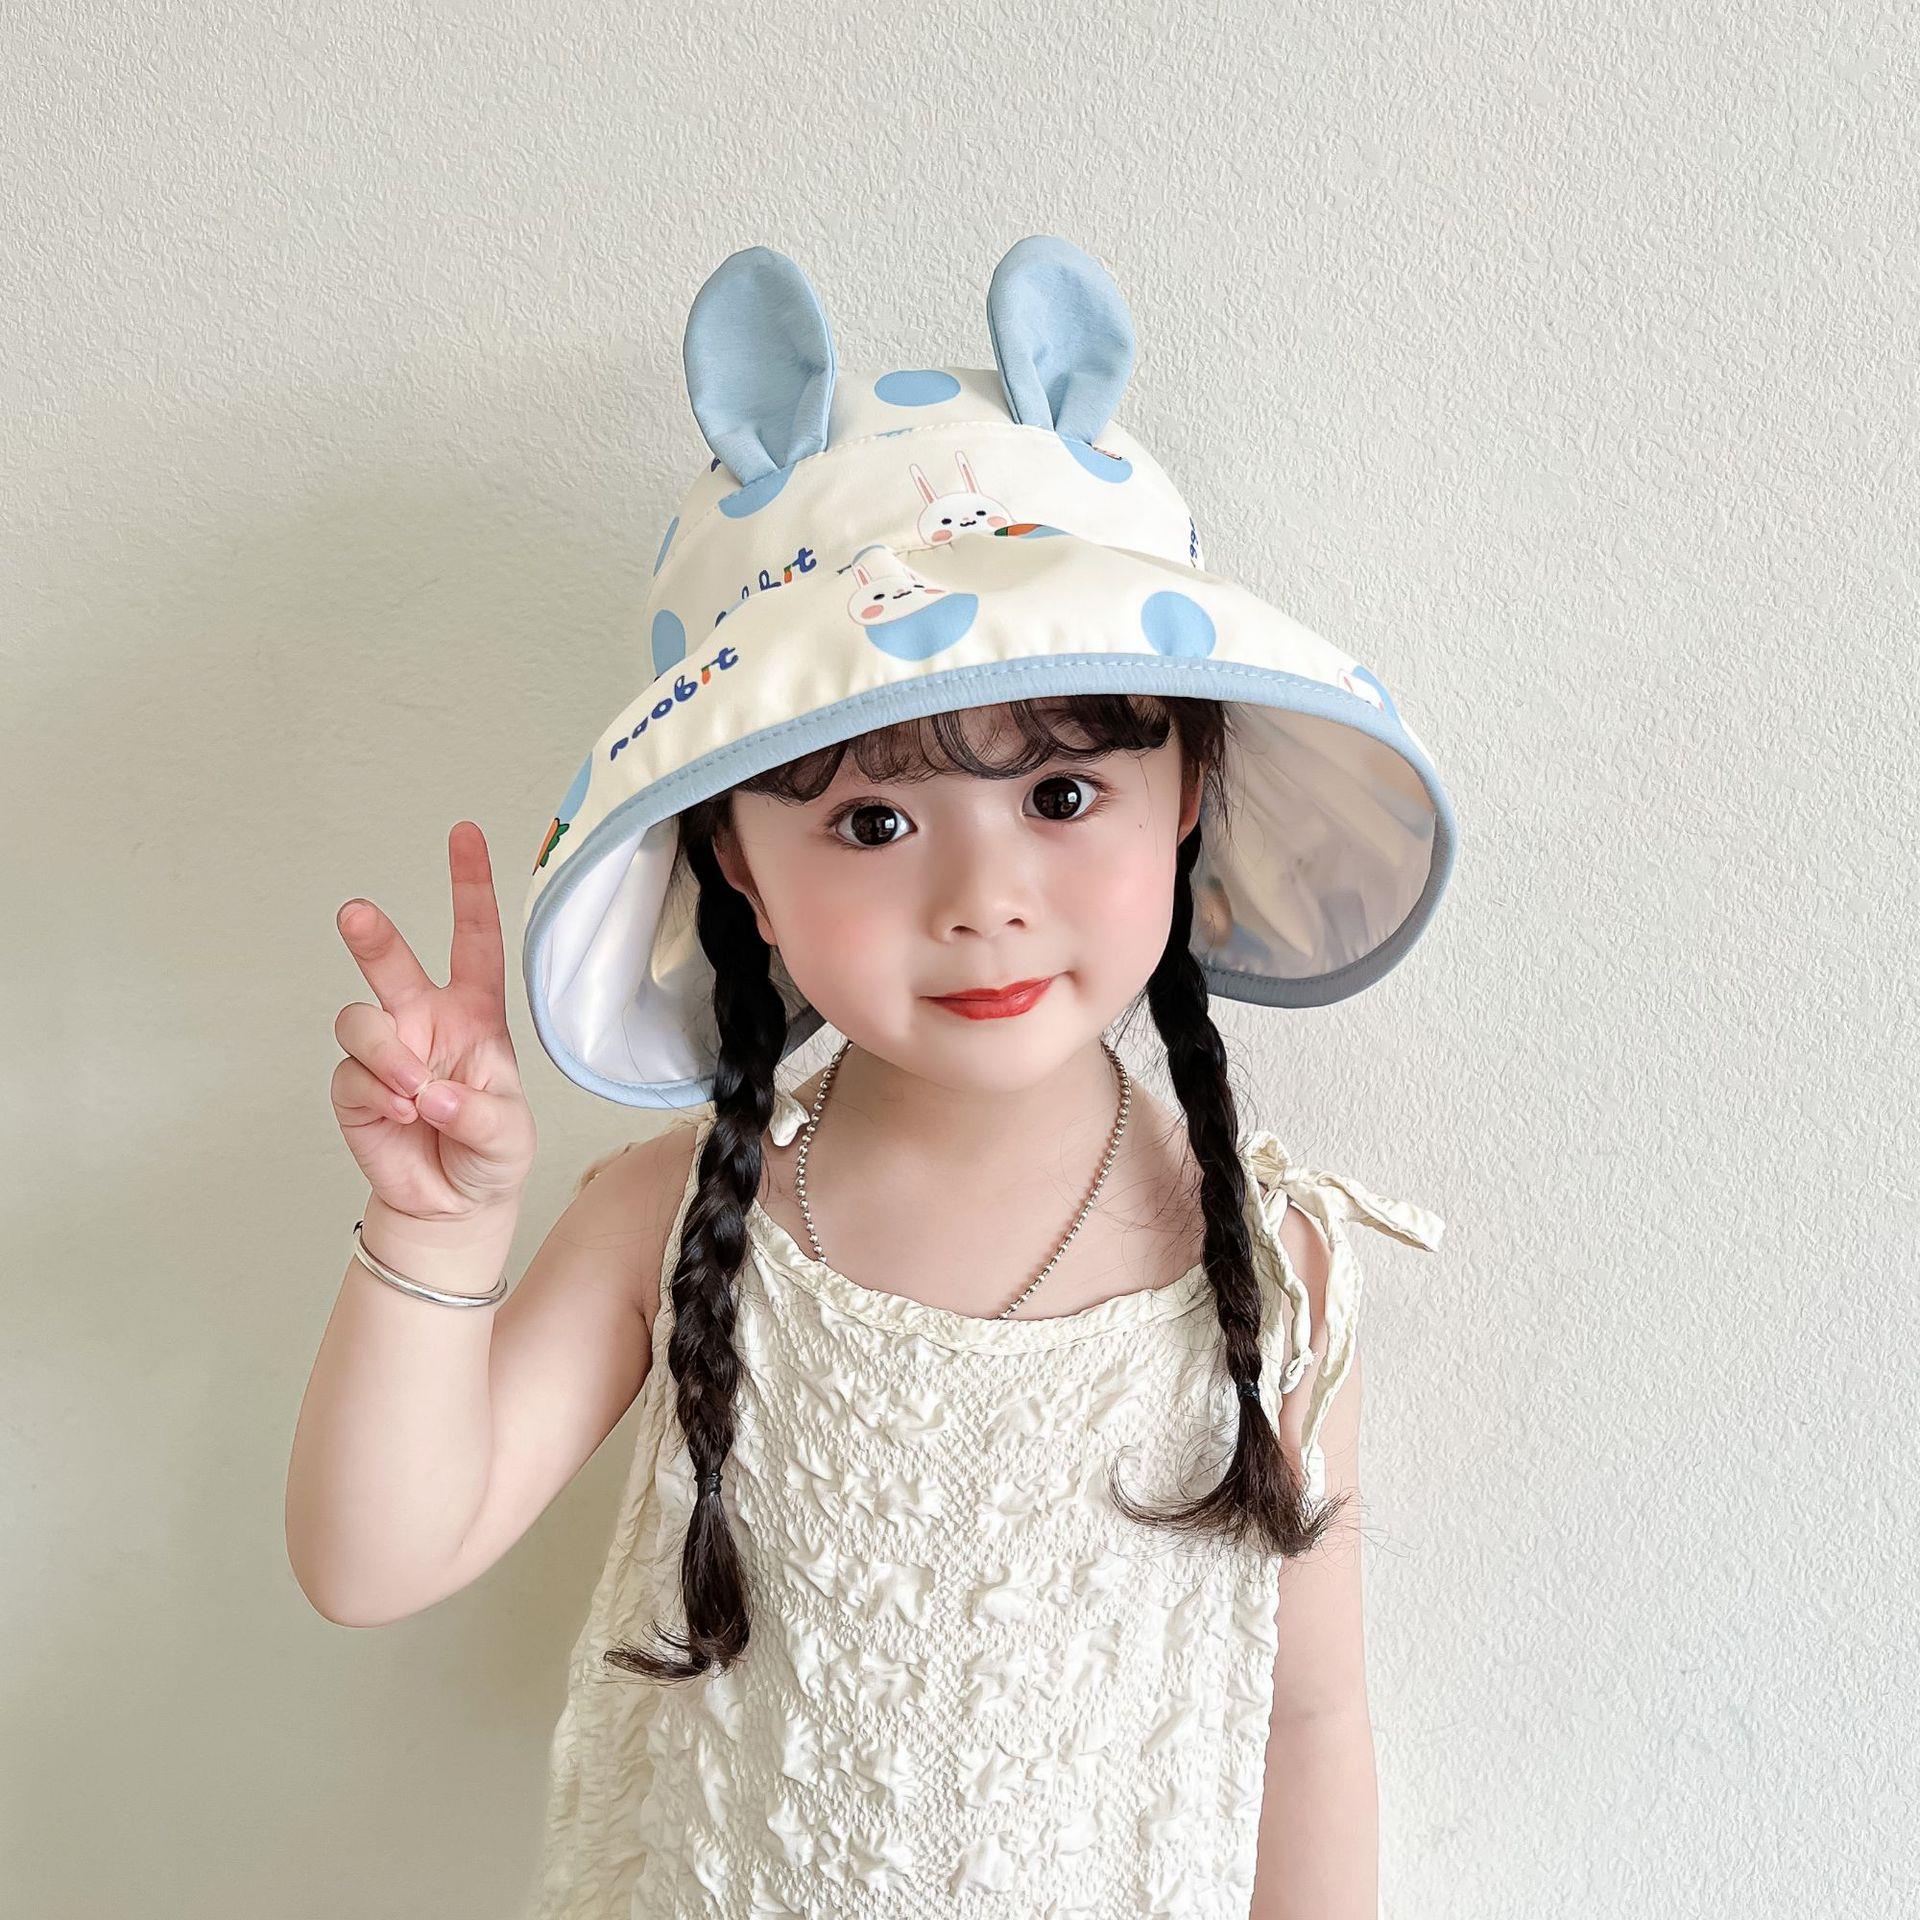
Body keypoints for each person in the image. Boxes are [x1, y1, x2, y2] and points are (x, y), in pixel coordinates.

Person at [286, 236, 1456, 1919]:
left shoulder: (1272, 1275)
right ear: (738, 866)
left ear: (1187, 789)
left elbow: (1309, 1715)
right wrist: (437, 1234)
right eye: (874, 819)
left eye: (1062, 795)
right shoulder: (668, 1222)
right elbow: (373, 1558)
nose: (982, 897)